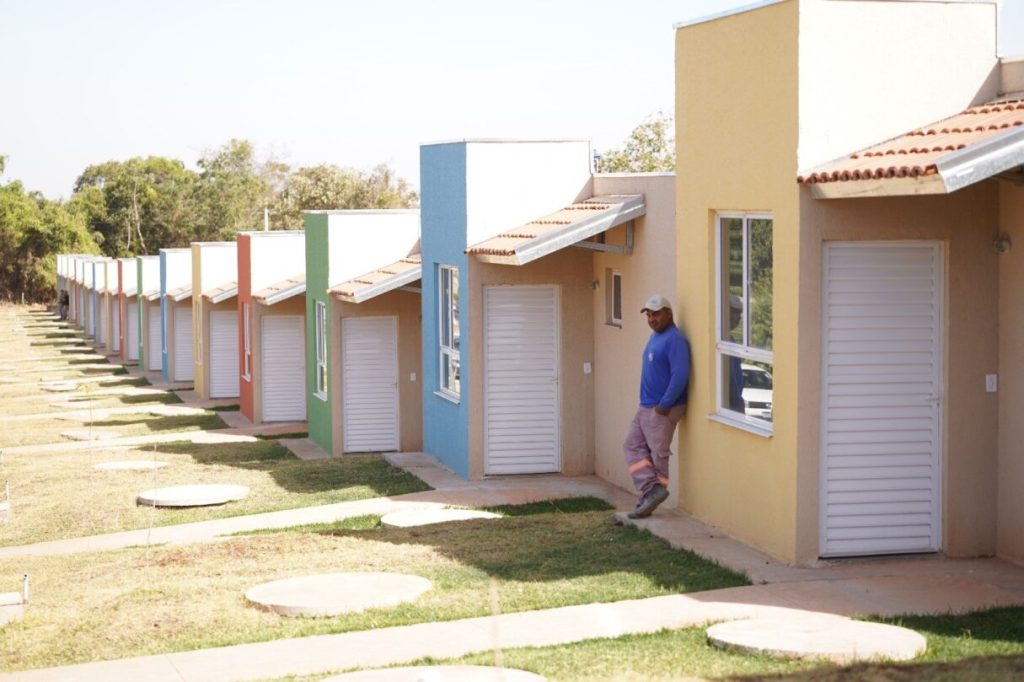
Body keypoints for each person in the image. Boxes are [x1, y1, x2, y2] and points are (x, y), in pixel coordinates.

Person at [623, 294, 691, 519]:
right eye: (649, 315)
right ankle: (650, 491)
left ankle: (649, 500)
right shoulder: (655, 337)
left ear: (668, 314)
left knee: (658, 455)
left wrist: (664, 405)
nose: (652, 319)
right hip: (646, 406)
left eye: (656, 314)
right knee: (632, 446)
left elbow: (680, 374)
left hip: (662, 408)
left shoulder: (675, 340)